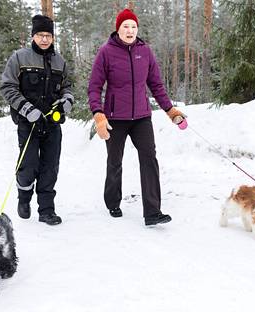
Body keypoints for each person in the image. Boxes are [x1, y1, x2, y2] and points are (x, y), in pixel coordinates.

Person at [88, 9, 186, 226]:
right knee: (115, 161)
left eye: (133, 26)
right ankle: (113, 202)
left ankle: (152, 212)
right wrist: (98, 115)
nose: (130, 30)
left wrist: (170, 111)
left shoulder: (145, 51)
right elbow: (94, 87)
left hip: (141, 116)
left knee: (149, 158)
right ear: (118, 29)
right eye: (126, 26)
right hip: (115, 118)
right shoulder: (106, 52)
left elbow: (156, 85)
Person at [0, 14, 73, 226]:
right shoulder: (20, 58)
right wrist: (27, 110)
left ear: (52, 37)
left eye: (48, 35)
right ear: (33, 36)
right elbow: (7, 86)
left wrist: (66, 101)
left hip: (52, 123)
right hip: (28, 123)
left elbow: (68, 87)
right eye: (40, 35)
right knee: (28, 165)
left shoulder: (60, 61)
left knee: (50, 166)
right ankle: (24, 198)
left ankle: (47, 210)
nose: (44, 39)